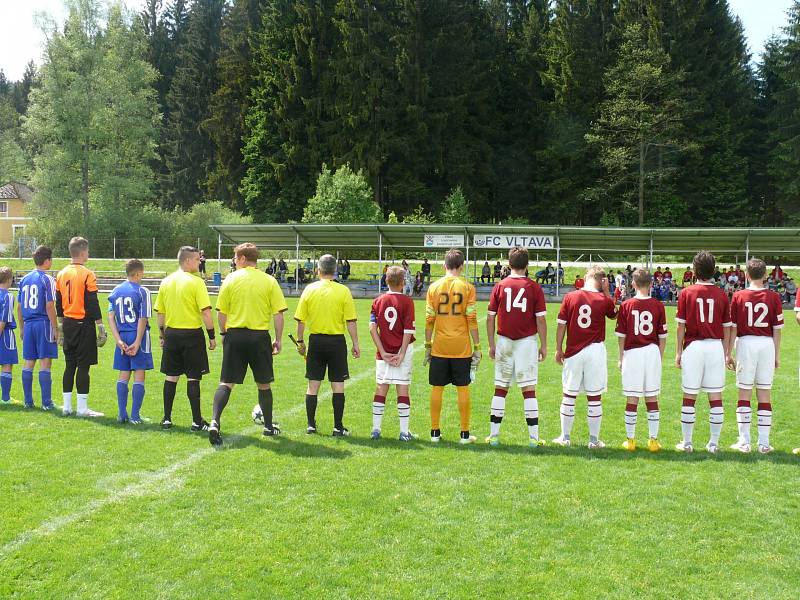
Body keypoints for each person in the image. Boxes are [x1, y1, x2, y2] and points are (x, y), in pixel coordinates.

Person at [209, 243, 287, 445]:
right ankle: (269, 427)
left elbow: (221, 312)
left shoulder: (230, 279)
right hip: (259, 337)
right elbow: (278, 314)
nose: (234, 261)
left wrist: (224, 333)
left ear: (243, 258)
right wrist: (278, 339)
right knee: (263, 384)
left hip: (235, 335)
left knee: (226, 382)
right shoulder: (269, 280)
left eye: (235, 257)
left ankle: (215, 422)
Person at [485, 247, 547, 447]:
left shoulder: (500, 286)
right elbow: (541, 320)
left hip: (504, 340)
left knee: (500, 388)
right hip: (527, 342)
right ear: (527, 265)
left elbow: (490, 317)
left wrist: (491, 344)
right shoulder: (534, 287)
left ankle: (494, 436)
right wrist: (544, 345)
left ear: (509, 264)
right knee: (528, 389)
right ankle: (534, 439)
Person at [294, 254, 360, 436]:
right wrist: (355, 343)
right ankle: (338, 427)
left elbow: (300, 320)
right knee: (338, 385)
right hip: (337, 342)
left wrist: (300, 341)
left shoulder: (309, 289)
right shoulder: (343, 291)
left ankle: (310, 425)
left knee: (313, 385)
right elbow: (351, 321)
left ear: (318, 270)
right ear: (335, 271)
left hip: (316, 341)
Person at [674, 250, 733, 454]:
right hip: (715, 346)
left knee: (689, 395)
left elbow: (680, 326)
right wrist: (726, 352)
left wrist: (678, 352)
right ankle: (714, 443)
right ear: (714, 270)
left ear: (694, 270)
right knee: (715, 396)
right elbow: (727, 327)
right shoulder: (721, 294)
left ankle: (687, 442)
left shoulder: (686, 293)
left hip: (693, 346)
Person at [553, 265, 617, 449]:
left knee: (569, 394)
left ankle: (565, 437)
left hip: (574, 350)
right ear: (601, 280)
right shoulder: (602, 299)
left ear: (587, 277)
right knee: (594, 396)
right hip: (595, 350)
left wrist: (558, 348)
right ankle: (593, 440)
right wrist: (606, 292)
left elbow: (561, 325)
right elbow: (613, 315)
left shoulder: (570, 297)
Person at [155, 246, 216, 431]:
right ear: (188, 261)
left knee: (171, 376)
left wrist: (162, 334)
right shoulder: (197, 282)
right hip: (192, 335)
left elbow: (160, 313)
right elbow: (205, 312)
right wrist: (212, 336)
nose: (200, 262)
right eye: (198, 259)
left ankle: (166, 419)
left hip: (172, 334)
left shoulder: (166, 282)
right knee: (193, 378)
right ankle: (197, 421)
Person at [727, 258, 784, 454]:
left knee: (744, 392)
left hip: (746, 343)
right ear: (766, 275)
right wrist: (776, 354)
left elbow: (733, 327)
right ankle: (764, 443)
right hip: (767, 344)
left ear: (746, 275)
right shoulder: (774, 297)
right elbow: (777, 330)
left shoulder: (738, 296)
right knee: (764, 393)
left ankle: (744, 442)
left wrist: (728, 353)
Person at [425, 249, 480, 444]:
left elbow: (429, 319)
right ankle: (464, 434)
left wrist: (427, 345)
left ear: (444, 266)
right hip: (461, 347)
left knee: (437, 388)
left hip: (440, 345)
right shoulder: (467, 287)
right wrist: (478, 346)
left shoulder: (433, 287)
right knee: (463, 388)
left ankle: (434, 433)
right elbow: (471, 318)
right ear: (462, 266)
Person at [615, 269, 668, 452]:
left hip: (633, 352)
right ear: (651, 284)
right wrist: (658, 357)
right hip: (652, 351)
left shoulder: (627, 305)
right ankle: (653, 441)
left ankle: (630, 440)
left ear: (633, 284)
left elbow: (621, 336)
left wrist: (620, 356)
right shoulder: (658, 305)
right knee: (652, 397)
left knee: (632, 397)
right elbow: (663, 336)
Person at [55, 237, 107, 417]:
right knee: (83, 366)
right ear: (83, 252)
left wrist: (61, 325)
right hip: (84, 324)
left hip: (68, 323)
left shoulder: (61, 273)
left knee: (70, 365)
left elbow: (59, 302)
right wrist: (100, 325)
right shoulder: (87, 274)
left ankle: (67, 406)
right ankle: (82, 409)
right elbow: (92, 302)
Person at [369, 266, 416, 441]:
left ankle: (376, 429)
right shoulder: (407, 301)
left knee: (381, 387)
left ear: (386, 280)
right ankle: (404, 432)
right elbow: (408, 330)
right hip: (401, 353)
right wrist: (402, 354)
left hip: (384, 353)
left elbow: (372, 328)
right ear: (403, 282)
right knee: (402, 388)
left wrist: (382, 351)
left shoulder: (377, 301)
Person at [107, 259, 153, 424]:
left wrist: (118, 339)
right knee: (139, 374)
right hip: (137, 335)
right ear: (139, 273)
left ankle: (121, 414)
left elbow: (111, 317)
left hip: (122, 335)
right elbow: (143, 318)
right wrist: (138, 341)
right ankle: (135, 416)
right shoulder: (143, 291)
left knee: (123, 374)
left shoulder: (116, 290)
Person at [17, 245, 58, 410]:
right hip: (43, 323)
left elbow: (19, 307)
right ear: (47, 261)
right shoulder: (48, 279)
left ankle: (28, 401)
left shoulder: (24, 279)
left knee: (29, 362)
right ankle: (46, 403)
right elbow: (49, 306)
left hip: (28, 324)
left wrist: (21, 328)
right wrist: (55, 328)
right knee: (45, 362)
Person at [0, 267, 18, 404]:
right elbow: (4, 319)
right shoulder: (8, 296)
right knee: (7, 364)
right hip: (5, 334)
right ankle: (5, 398)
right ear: (9, 279)